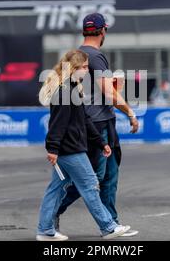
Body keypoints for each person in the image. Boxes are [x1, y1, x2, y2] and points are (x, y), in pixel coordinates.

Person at [55, 13, 139, 237]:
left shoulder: (77, 54)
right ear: (103, 32)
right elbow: (107, 92)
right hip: (96, 125)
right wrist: (130, 112)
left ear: (85, 31)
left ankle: (112, 223)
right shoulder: (96, 56)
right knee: (95, 178)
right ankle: (54, 209)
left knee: (110, 175)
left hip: (97, 121)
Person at [36, 50, 130, 241]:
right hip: (70, 149)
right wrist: (53, 148)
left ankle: (45, 230)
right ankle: (108, 226)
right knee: (90, 184)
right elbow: (57, 124)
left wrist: (101, 142)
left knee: (56, 188)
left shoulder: (72, 88)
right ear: (73, 68)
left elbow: (85, 120)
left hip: (69, 148)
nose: (87, 71)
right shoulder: (64, 91)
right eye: (84, 67)